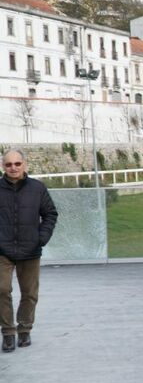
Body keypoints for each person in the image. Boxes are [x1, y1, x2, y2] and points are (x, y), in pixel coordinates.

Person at [0, 149, 58, 353]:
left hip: (30, 249)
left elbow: (50, 214)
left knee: (30, 293)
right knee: (2, 290)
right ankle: (8, 333)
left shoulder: (37, 188)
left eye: (17, 163)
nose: (13, 168)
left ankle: (24, 329)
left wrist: (41, 239)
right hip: (2, 250)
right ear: (2, 166)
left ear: (24, 164)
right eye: (8, 164)